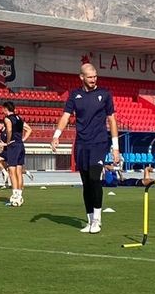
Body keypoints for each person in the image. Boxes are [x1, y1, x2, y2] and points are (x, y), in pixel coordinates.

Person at [50, 62, 122, 234]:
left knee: (95, 178)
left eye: (95, 76)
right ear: (81, 77)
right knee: (86, 183)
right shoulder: (75, 95)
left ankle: (97, 220)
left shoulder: (104, 94)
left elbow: (112, 120)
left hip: (99, 142)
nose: (93, 79)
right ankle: (90, 220)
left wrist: (116, 147)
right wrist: (56, 136)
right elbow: (65, 116)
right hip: (81, 144)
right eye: (89, 77)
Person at [0, 101, 32, 206]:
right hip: (21, 145)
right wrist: (22, 140)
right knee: (19, 171)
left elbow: (9, 130)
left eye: (3, 109)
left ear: (5, 109)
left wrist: (8, 142)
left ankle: (15, 195)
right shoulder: (19, 118)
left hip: (13, 146)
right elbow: (29, 129)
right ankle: (20, 195)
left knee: (11, 170)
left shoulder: (7, 119)